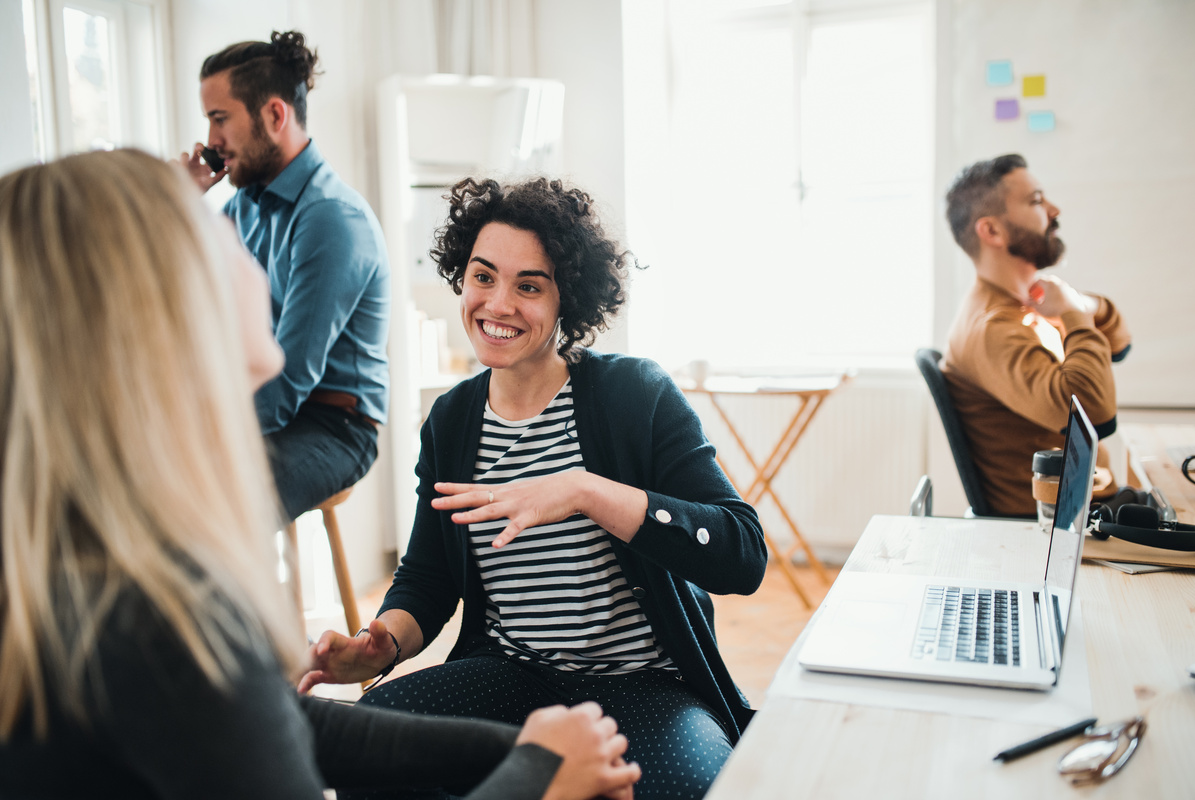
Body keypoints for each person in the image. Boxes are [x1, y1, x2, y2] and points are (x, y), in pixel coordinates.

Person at [0, 149, 640, 800]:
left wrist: (523, 754)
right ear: (166, 310)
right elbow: (426, 578)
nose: (262, 261)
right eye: (220, 236)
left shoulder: (98, 567)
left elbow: (277, 727)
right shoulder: (164, 612)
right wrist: (539, 779)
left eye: (529, 284)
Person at [300, 177, 768, 800]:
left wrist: (586, 491)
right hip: (508, 674)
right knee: (369, 751)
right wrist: (379, 645)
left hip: (644, 684)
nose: (497, 304)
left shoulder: (634, 396)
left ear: (565, 300)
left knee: (687, 789)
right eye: (483, 276)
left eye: (529, 286)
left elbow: (742, 553)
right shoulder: (452, 419)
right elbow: (430, 575)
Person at [180, 30, 389, 522]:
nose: (210, 141)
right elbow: (181, 304)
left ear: (274, 115)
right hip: (269, 406)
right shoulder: (242, 206)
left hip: (333, 425)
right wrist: (179, 206)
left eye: (219, 119)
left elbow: (289, 377)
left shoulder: (331, 219)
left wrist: (200, 435)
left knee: (206, 514)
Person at [941, 154, 1131, 517]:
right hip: (1062, 531)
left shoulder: (1025, 306)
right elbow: (1093, 413)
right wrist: (1073, 313)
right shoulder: (993, 328)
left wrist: (1084, 305)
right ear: (992, 231)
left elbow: (1119, 344)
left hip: (1085, 510)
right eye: (1037, 201)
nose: (1054, 210)